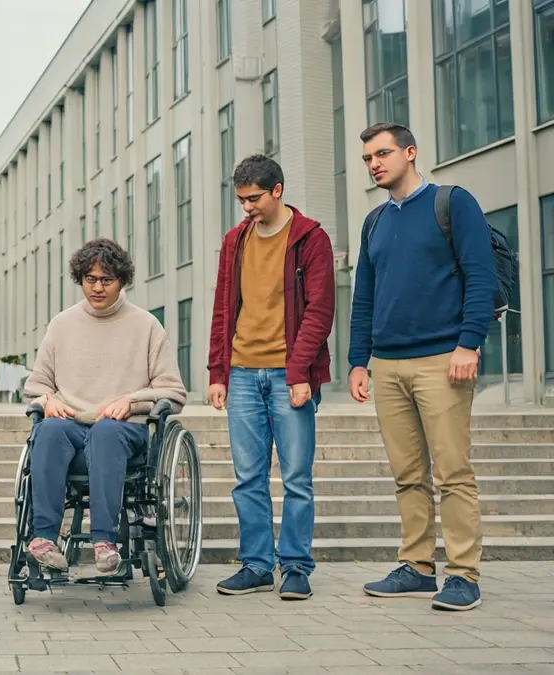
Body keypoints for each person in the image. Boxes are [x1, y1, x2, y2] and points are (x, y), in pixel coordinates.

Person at [349, 123, 496, 611]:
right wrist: (357, 360)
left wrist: (468, 344)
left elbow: (480, 275)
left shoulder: (453, 203)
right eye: (368, 157)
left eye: (383, 153)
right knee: (407, 473)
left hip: (442, 358)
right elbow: (364, 297)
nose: (375, 163)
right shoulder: (373, 222)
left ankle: (463, 574)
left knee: (453, 471)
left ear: (410, 153)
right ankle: (416, 566)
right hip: (388, 364)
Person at [206, 154, 334, 601]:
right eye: (241, 199)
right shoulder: (235, 240)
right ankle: (257, 565)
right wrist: (217, 371)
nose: (247, 207)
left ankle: (295, 566)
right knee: (248, 477)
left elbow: (319, 312)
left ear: (277, 190)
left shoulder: (310, 239)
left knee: (297, 476)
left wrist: (301, 373)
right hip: (241, 372)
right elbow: (224, 307)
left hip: (289, 374)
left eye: (254, 198)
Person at [21, 238, 188, 575]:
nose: (97, 288)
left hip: (125, 434)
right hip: (72, 429)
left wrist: (132, 400)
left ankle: (105, 542)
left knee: (106, 432)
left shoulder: (146, 325)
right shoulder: (62, 324)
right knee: (49, 429)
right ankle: (43, 540)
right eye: (90, 279)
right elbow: (35, 387)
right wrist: (47, 400)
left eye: (106, 280)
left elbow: (174, 391)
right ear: (80, 279)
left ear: (122, 281)